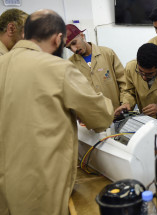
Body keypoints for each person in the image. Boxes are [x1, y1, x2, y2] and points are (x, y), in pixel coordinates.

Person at [0, 9, 114, 215]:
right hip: (39, 188)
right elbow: (100, 117)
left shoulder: (2, 63)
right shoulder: (57, 68)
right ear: (58, 38)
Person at [65, 24, 125, 109]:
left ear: (82, 36)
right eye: (69, 48)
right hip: (93, 117)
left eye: (74, 43)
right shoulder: (70, 65)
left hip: (116, 112)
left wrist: (124, 103)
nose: (74, 49)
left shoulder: (107, 53)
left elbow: (123, 81)